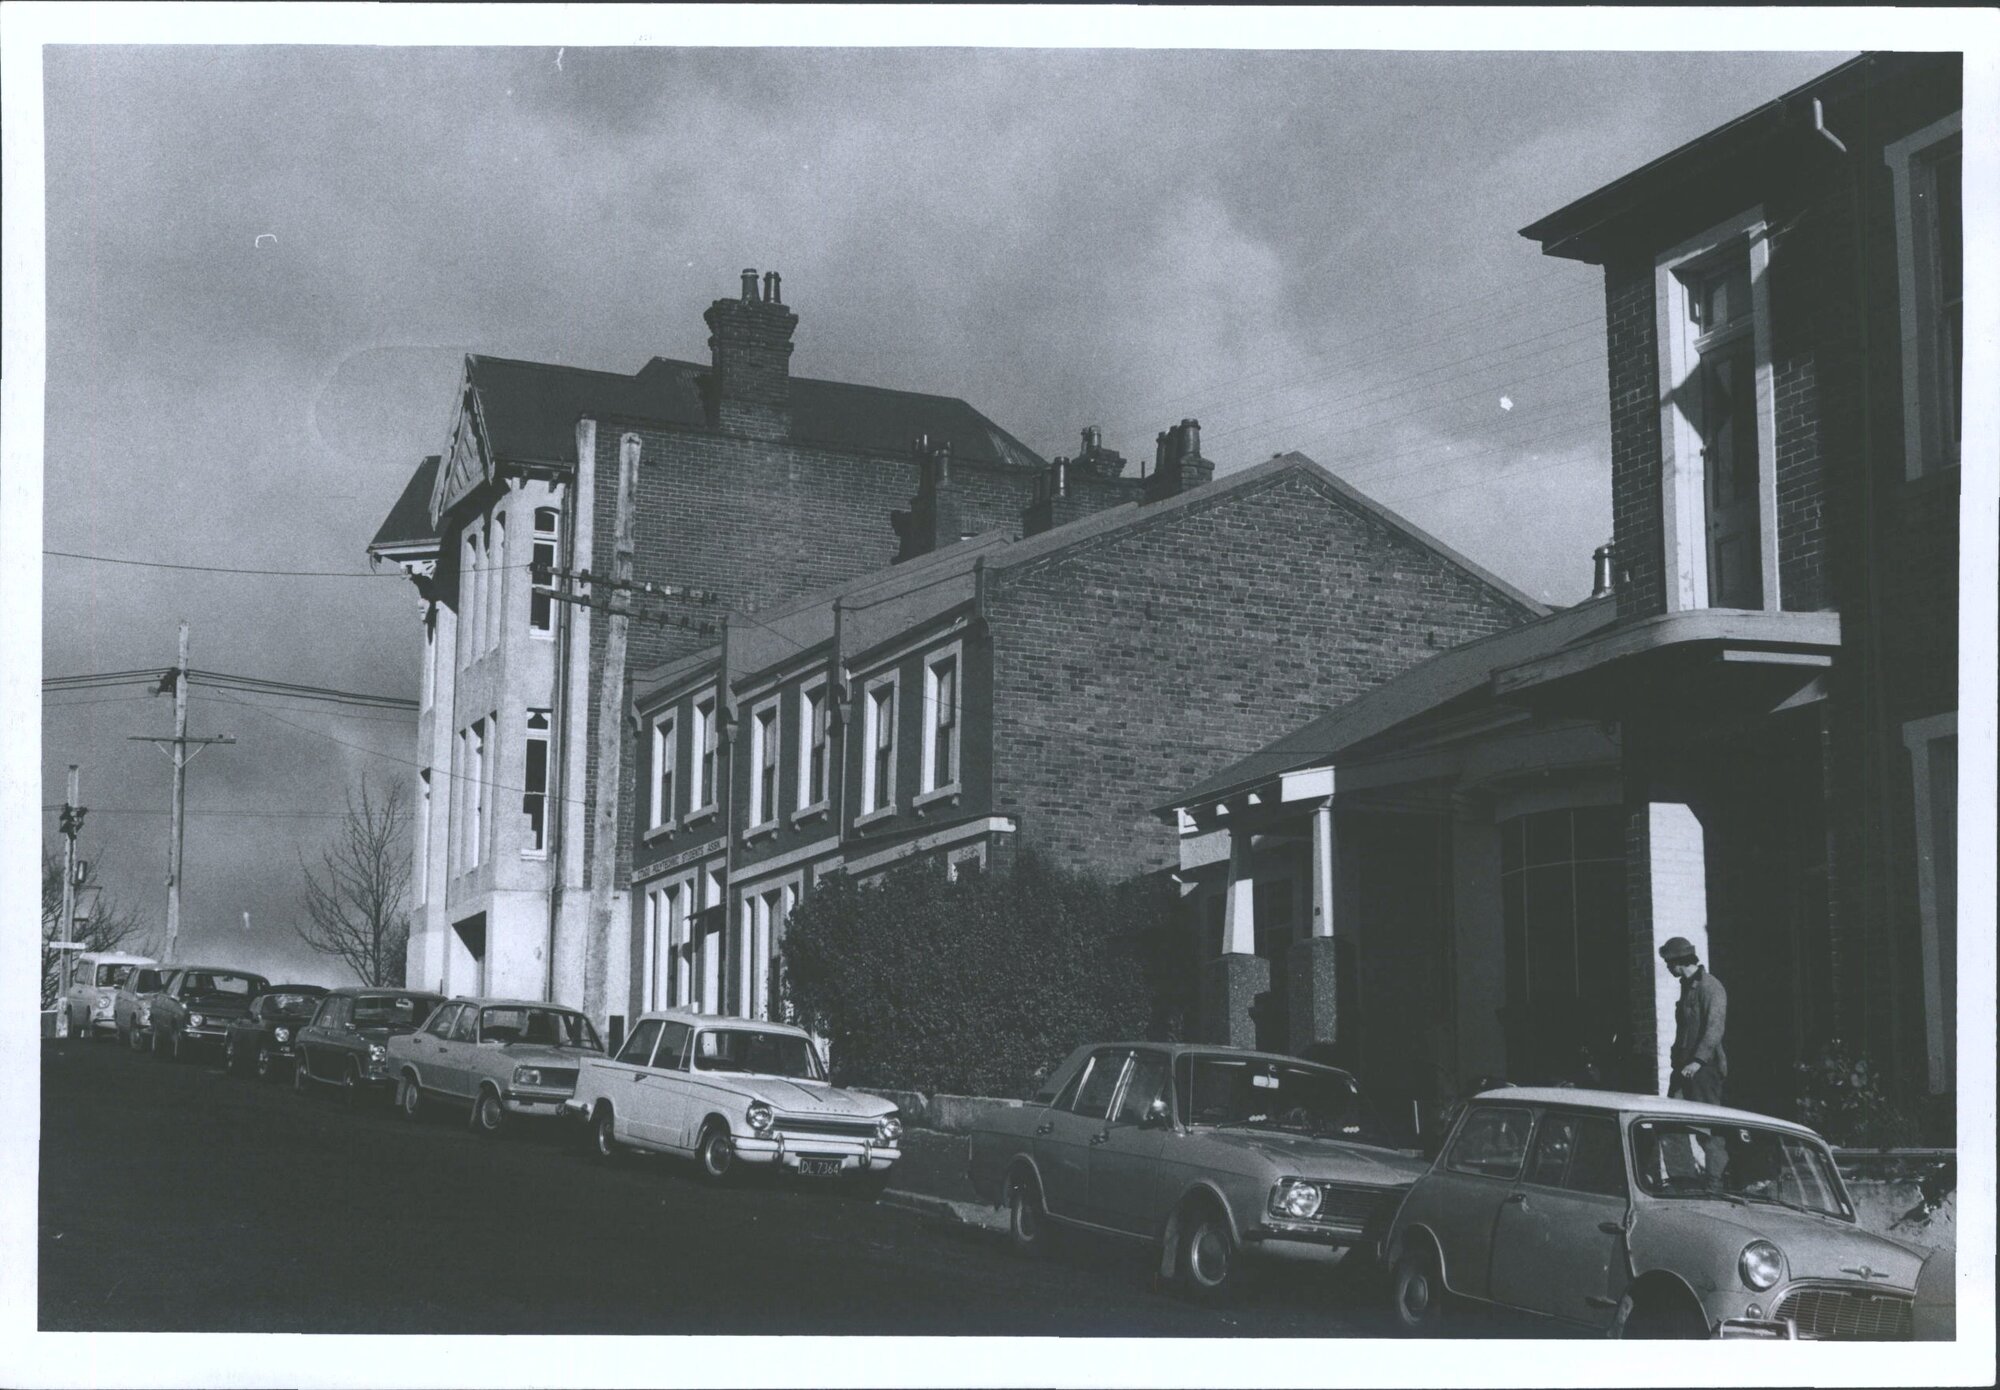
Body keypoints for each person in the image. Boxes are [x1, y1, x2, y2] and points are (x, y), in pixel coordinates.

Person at [1660, 936, 1727, 1105]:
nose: (1668, 967)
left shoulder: (1710, 987)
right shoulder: (1687, 987)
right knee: (1673, 1121)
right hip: (1683, 1066)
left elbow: (1715, 1028)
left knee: (1706, 1121)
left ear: (1679, 961)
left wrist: (1697, 1061)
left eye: (1669, 963)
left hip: (1704, 1068)